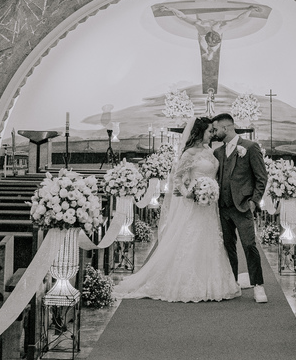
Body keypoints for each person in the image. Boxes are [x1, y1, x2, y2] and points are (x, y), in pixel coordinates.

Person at [115, 117, 241, 303]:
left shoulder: (209, 150)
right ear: (199, 133)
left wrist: (211, 191)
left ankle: (212, 282)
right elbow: (177, 179)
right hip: (194, 205)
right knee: (192, 240)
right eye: (209, 131)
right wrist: (190, 193)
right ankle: (186, 283)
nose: (212, 134)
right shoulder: (188, 154)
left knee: (211, 241)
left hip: (210, 207)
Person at [210, 112, 269, 303]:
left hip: (243, 206)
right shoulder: (218, 152)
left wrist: (254, 201)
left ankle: (258, 286)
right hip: (223, 207)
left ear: (226, 128)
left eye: (216, 129)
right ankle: (232, 282)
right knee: (228, 246)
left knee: (249, 245)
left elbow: (262, 177)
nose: (214, 132)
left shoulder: (250, 147)